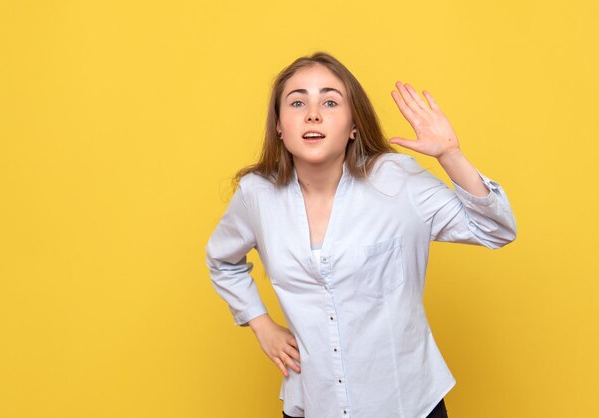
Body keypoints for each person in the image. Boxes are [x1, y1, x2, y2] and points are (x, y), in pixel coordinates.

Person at [205, 51, 517, 418]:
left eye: (331, 101)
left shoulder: (396, 179)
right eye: (297, 101)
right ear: (279, 125)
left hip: (406, 404)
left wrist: (450, 155)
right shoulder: (257, 195)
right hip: (313, 403)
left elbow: (496, 230)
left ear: (354, 125)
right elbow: (222, 260)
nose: (313, 113)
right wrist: (260, 323)